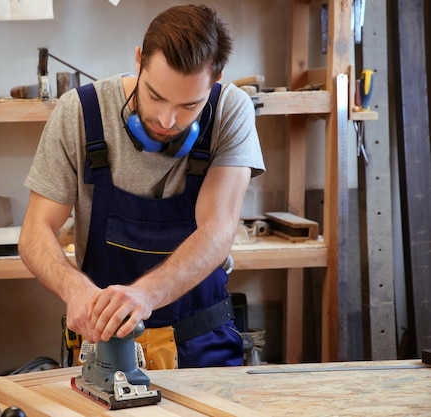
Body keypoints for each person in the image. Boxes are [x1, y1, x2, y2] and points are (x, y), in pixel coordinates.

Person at [19, 4, 265, 368]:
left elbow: (217, 229)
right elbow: (35, 231)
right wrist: (75, 290)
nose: (168, 120)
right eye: (155, 96)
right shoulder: (80, 112)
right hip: (104, 342)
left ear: (215, 79)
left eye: (189, 105)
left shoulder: (231, 110)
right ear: (139, 59)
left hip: (201, 342)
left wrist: (144, 295)